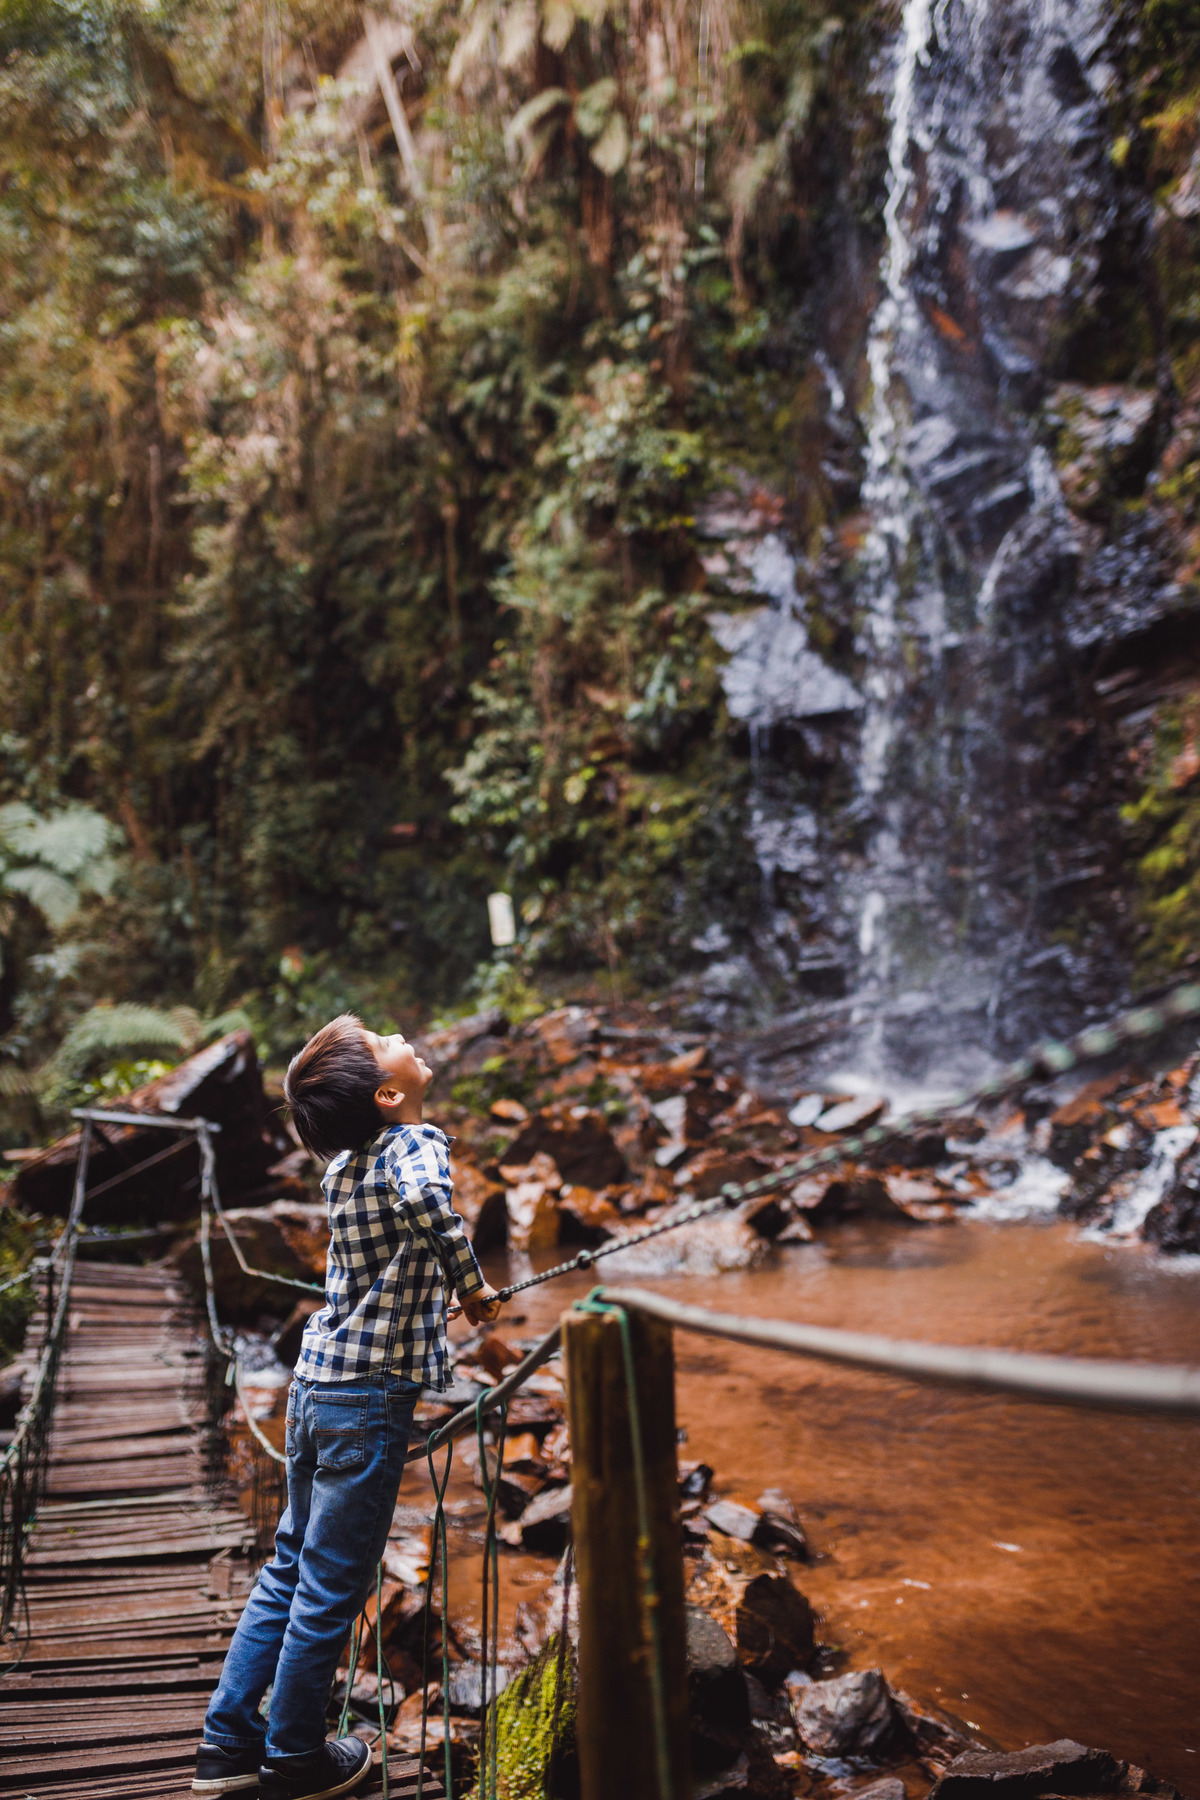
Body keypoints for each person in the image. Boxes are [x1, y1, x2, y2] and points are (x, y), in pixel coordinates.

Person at [194, 1015, 501, 1800]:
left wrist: (435, 1286)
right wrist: (470, 1285)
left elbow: (384, 1251)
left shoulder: (345, 1168)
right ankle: (294, 1757)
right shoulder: (415, 1144)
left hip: (313, 1387)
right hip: (367, 1398)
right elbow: (431, 1206)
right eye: (383, 1040)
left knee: (288, 1568)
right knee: (331, 1585)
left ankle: (227, 1744)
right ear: (391, 1092)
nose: (402, 1033)